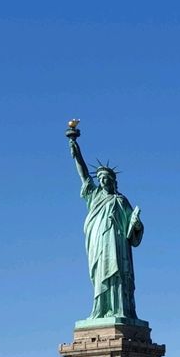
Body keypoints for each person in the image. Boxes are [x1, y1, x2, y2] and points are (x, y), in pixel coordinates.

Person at [67, 127, 144, 321]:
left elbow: (133, 230)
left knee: (118, 274)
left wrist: (135, 224)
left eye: (105, 179)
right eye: (100, 179)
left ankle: (120, 310)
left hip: (117, 244)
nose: (102, 181)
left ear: (112, 181)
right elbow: (84, 175)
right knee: (100, 274)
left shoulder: (120, 200)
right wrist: (76, 153)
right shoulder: (93, 196)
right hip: (99, 243)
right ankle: (101, 310)